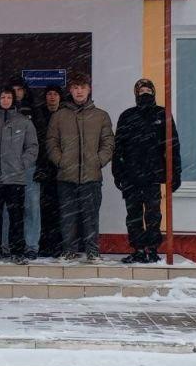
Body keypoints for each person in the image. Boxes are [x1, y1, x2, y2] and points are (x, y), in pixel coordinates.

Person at [45, 72, 115, 262]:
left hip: (91, 176)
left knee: (90, 216)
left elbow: (108, 143)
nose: (79, 91)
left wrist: (98, 161)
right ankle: (69, 250)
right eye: (75, 88)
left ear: (89, 89)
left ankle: (92, 251)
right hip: (66, 177)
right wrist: (61, 161)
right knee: (67, 217)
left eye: (82, 87)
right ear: (70, 90)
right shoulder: (59, 116)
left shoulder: (101, 116)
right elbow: (51, 142)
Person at [112, 78, 182, 264]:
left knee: (153, 215)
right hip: (131, 176)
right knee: (133, 216)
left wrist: (175, 173)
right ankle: (138, 249)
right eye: (141, 91)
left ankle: (152, 249)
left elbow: (173, 146)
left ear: (153, 93)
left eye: (148, 91)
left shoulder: (162, 115)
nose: (145, 94)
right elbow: (118, 147)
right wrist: (117, 172)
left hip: (153, 175)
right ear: (136, 94)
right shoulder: (127, 116)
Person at [0, 86, 38, 262]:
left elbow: (32, 147)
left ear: (13, 100)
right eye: (2, 97)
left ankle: (17, 251)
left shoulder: (24, 121)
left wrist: (22, 164)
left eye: (9, 97)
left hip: (16, 178)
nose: (5, 100)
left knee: (16, 217)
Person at [7, 78, 42, 260]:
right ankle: (6, 245)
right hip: (6, 167)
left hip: (29, 166)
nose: (17, 93)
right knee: (8, 208)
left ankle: (31, 245)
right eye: (13, 90)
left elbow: (40, 139)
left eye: (20, 89)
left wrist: (38, 164)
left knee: (31, 206)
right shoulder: (1, 113)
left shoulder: (34, 111)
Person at [32, 84, 64, 257]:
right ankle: (44, 244)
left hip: (62, 168)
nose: (52, 97)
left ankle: (60, 245)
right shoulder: (39, 115)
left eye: (55, 94)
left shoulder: (65, 114)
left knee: (61, 208)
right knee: (43, 209)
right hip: (43, 167)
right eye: (49, 94)